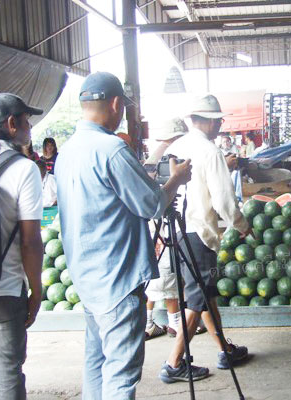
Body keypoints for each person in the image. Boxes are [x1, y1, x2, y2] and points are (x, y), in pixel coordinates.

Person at [55, 71, 191, 399]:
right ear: (116, 104)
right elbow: (152, 205)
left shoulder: (67, 151)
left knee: (96, 363)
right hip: (117, 277)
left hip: (87, 278)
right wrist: (176, 179)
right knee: (120, 373)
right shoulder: (112, 150)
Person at [159, 94, 251, 384]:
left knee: (205, 293)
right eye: (218, 120)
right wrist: (242, 225)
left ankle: (225, 349)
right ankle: (174, 363)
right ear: (210, 122)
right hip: (198, 234)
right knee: (197, 300)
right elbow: (224, 200)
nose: (220, 125)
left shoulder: (176, 146)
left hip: (176, 231)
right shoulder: (210, 151)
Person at [0, 93, 44, 399]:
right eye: (27, 120)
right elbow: (30, 241)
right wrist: (36, 290)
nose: (30, 126)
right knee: (7, 374)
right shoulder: (24, 169)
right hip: (4, 289)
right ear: (11, 124)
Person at [143, 118, 188, 339]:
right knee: (169, 272)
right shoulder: (173, 156)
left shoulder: (151, 160)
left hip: (151, 224)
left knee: (152, 275)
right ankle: (176, 323)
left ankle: (148, 322)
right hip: (161, 223)